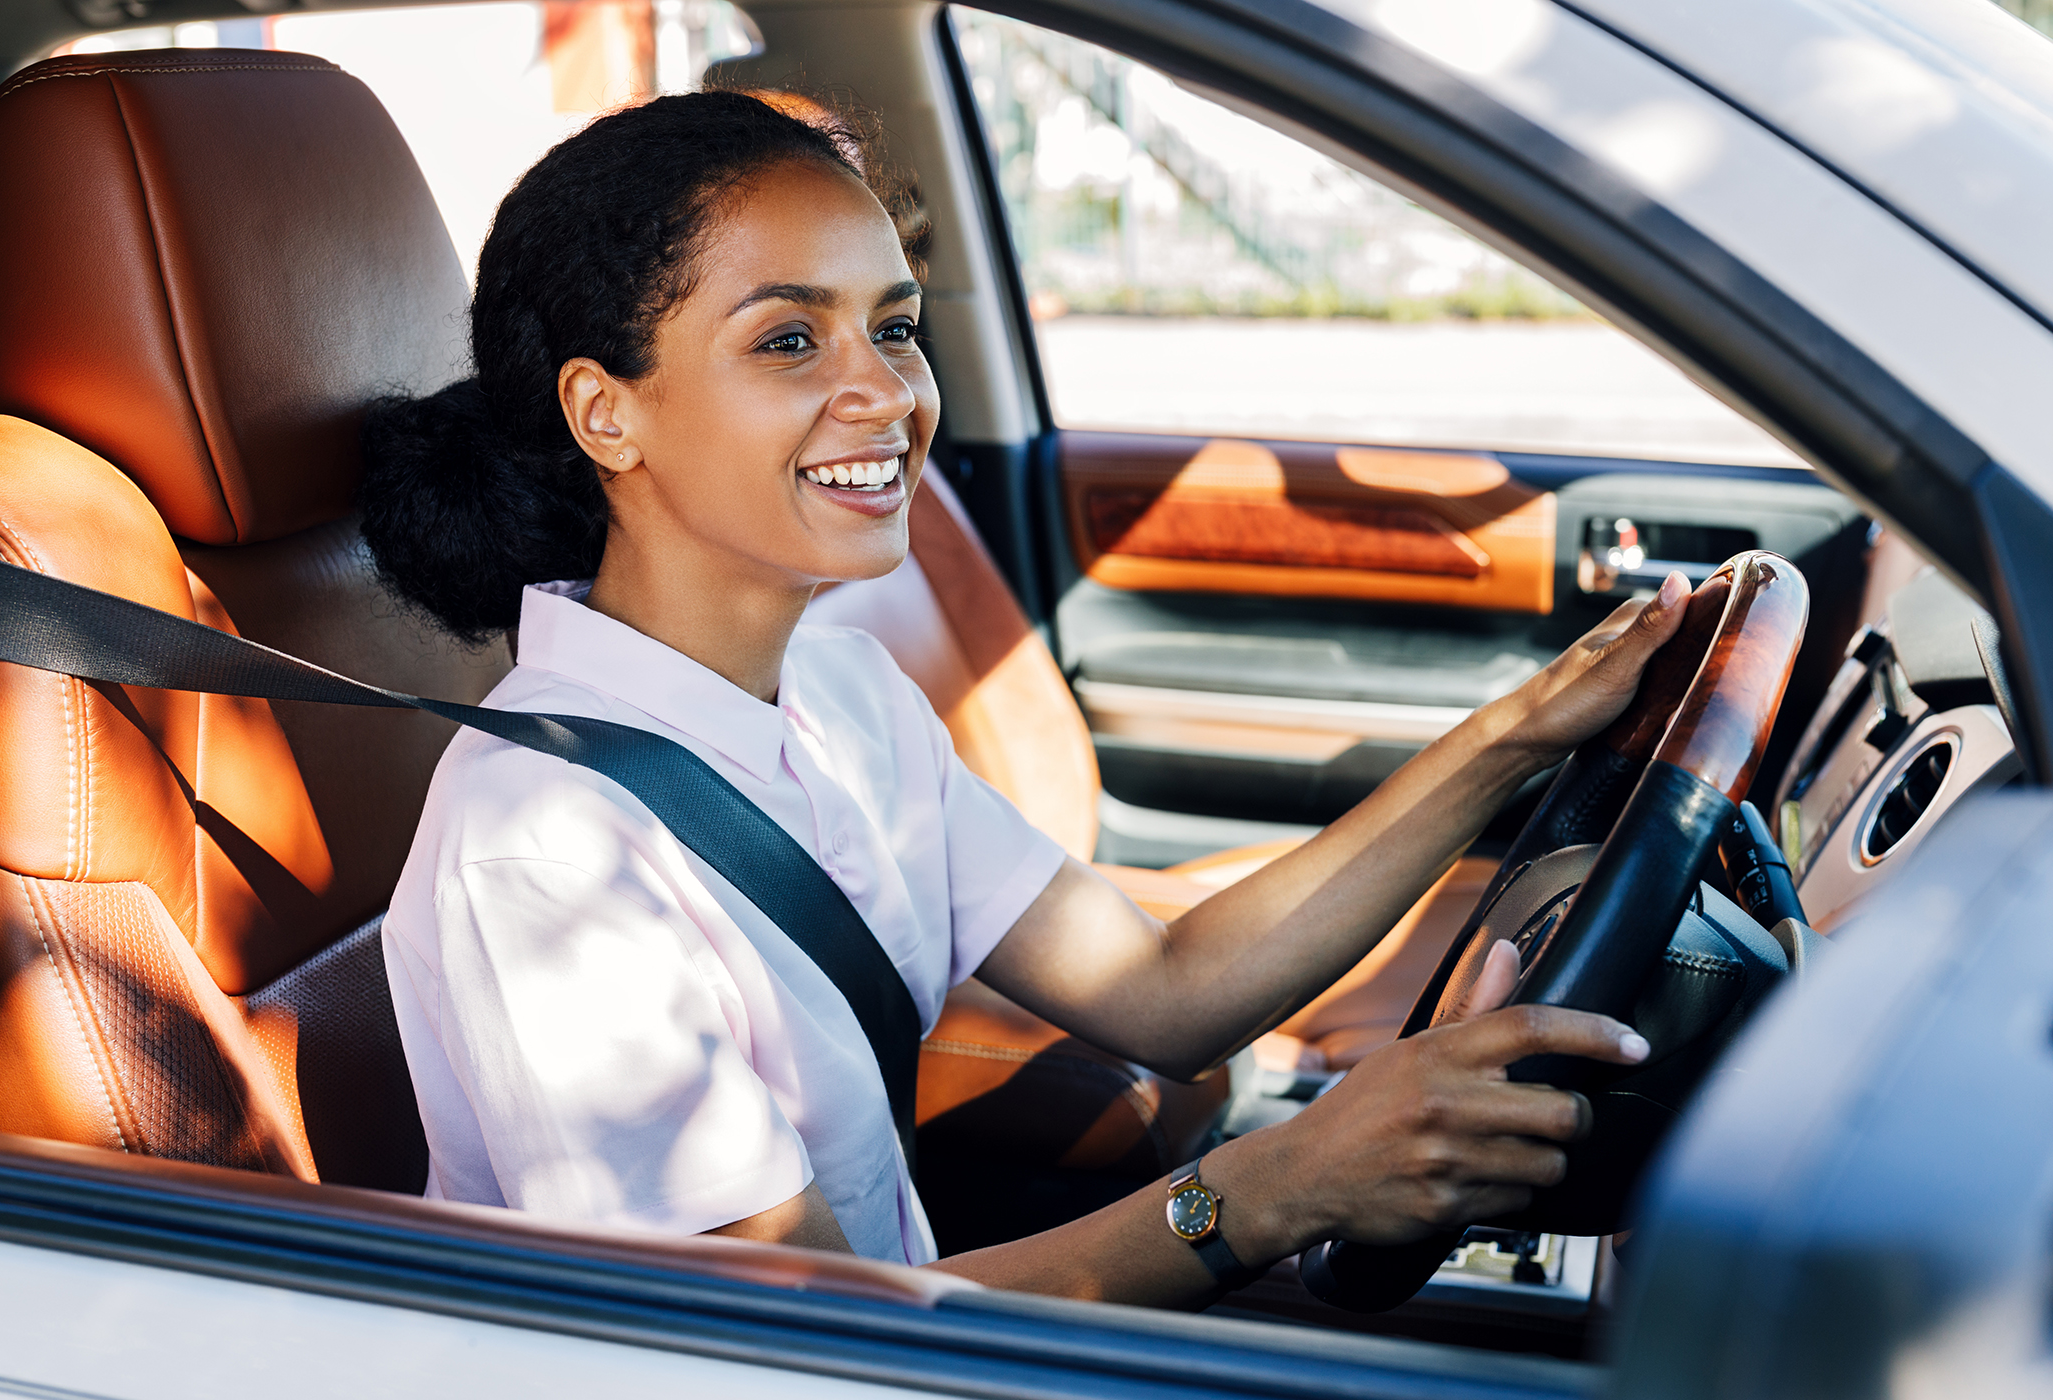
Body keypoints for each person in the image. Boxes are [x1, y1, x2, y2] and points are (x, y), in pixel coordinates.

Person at [360, 90, 1686, 1308]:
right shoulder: (547, 849)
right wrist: (1281, 1184)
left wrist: (1520, 735)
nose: (886, 393)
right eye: (788, 338)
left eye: (893, 326)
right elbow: (785, 1341)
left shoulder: (841, 690)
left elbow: (1168, 988)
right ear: (606, 414)